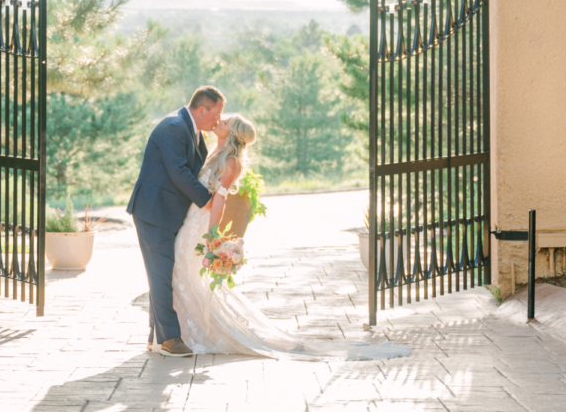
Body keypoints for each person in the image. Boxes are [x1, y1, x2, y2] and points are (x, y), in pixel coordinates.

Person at [171, 114, 411, 361]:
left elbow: (219, 200)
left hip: (199, 226)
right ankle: (182, 332)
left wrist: (212, 234)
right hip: (191, 220)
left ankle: (192, 334)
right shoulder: (213, 152)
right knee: (183, 274)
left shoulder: (231, 162)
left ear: (232, 134)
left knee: (184, 273)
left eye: (225, 122)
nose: (220, 121)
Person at [127, 86, 225, 358]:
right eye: (216, 113)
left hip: (169, 213)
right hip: (154, 211)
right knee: (161, 274)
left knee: (163, 273)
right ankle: (170, 339)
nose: (218, 119)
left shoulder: (193, 131)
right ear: (202, 109)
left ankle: (154, 337)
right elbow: (179, 172)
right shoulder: (173, 127)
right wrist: (208, 201)